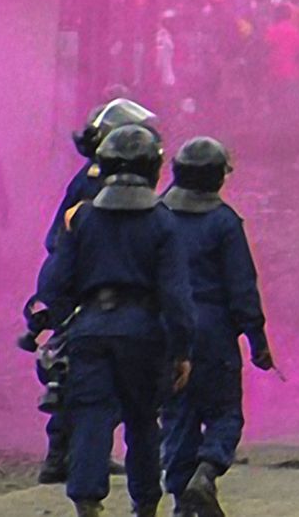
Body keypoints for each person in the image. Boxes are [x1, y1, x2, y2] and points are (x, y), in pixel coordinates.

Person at [36, 126, 195, 517]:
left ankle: (87, 500)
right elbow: (175, 295)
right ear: (154, 166)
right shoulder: (163, 221)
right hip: (143, 333)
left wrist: (60, 323)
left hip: (89, 330)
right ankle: (145, 504)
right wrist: (182, 350)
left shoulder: (83, 218)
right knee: (142, 421)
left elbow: (53, 283)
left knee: (91, 415)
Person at [41, 99, 160, 483]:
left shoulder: (91, 178)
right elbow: (69, 238)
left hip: (79, 282)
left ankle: (71, 455)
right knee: (79, 376)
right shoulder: (96, 182)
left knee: (78, 372)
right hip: (85, 288)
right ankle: (64, 455)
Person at [160, 138, 274, 517]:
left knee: (177, 417)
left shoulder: (158, 215)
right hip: (213, 332)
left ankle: (181, 502)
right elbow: (242, 287)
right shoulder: (224, 222)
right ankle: (206, 473)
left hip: (167, 330)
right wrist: (257, 340)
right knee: (225, 413)